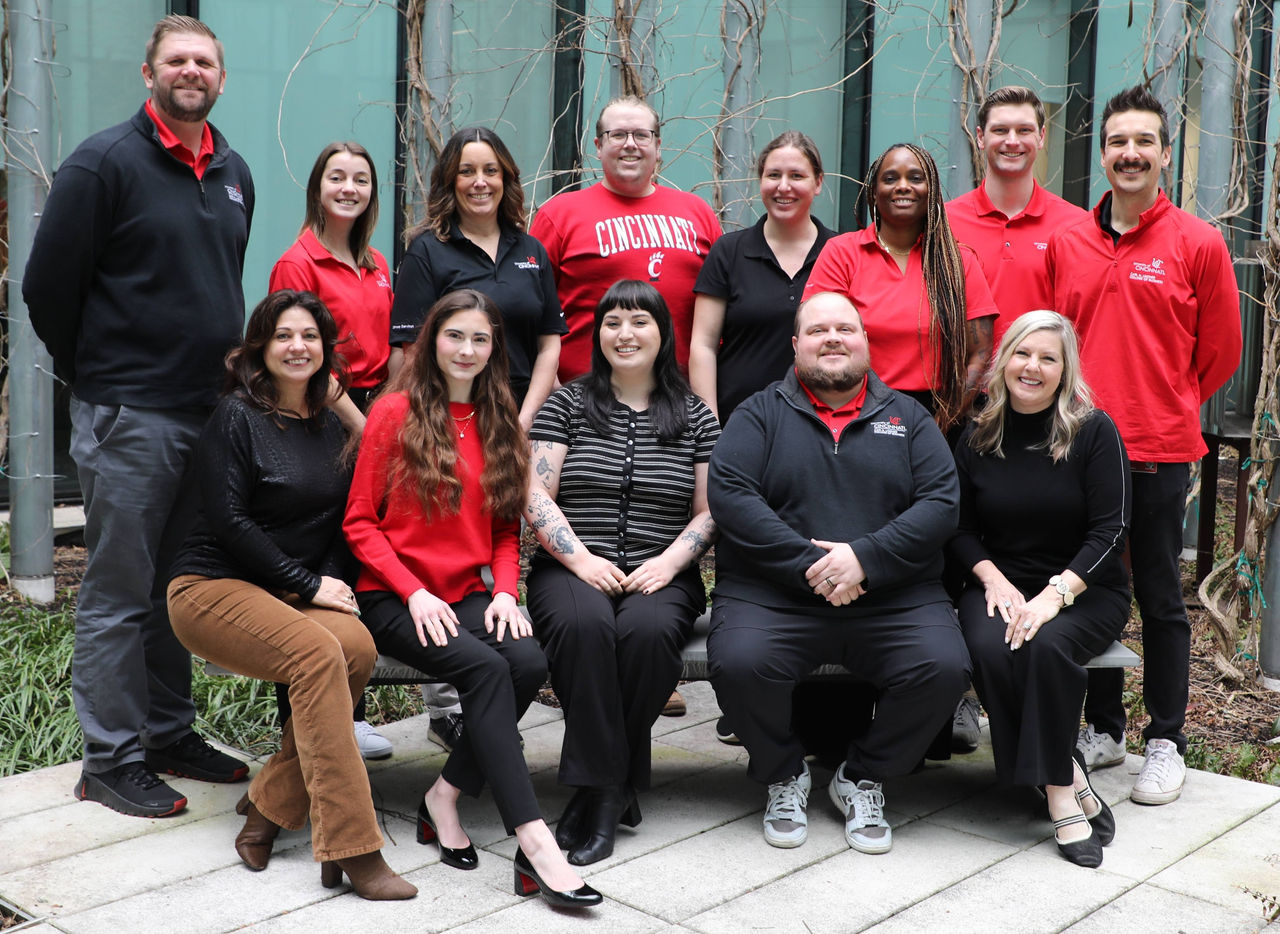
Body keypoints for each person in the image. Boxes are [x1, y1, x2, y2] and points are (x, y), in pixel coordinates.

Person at [23, 14, 252, 817]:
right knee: (119, 591)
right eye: (176, 60)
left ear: (221, 78)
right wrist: (97, 376)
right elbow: (47, 289)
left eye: (204, 62)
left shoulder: (232, 170)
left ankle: (167, 731)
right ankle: (111, 759)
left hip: (207, 415)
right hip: (131, 413)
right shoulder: (104, 163)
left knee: (173, 585)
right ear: (149, 73)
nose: (191, 71)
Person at [343, 289, 602, 909]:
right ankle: (537, 843)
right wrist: (412, 592)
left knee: (528, 661)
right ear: (432, 340)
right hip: (394, 597)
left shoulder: (496, 417)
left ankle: (445, 794)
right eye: (455, 335)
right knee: (487, 669)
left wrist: (507, 592)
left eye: (480, 339)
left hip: (466, 594)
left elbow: (504, 529)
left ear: (493, 349)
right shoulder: (395, 412)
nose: (467, 349)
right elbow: (358, 524)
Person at [166, 291, 415, 900]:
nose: (297, 346)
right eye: (283, 336)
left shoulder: (334, 423)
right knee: (317, 654)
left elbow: (341, 524)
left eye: (309, 336)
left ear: (327, 348)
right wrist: (309, 585)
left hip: (291, 588)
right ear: (261, 347)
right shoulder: (236, 416)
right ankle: (354, 848)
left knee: (353, 646)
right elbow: (228, 521)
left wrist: (324, 582)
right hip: (211, 584)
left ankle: (266, 809)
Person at [707, 291, 969, 855]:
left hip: (892, 596)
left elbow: (941, 504)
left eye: (846, 329)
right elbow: (732, 498)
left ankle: (863, 775)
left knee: (944, 668)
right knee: (738, 662)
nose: (833, 338)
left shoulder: (908, 416)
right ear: (796, 343)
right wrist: (818, 567)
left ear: (866, 343)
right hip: (773, 594)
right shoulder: (757, 414)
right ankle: (783, 773)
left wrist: (865, 560)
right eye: (818, 329)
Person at [1047, 86, 1242, 805]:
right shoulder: (1068, 241)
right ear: (1102, 153)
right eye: (1117, 141)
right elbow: (1050, 343)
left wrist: (1167, 399)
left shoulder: (1197, 242)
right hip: (1079, 449)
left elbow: (1220, 351)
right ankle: (1104, 727)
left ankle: (1166, 737)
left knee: (1159, 595)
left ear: (1164, 154)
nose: (1130, 153)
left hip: (1160, 447)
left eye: (1144, 141)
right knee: (1090, 586)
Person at [525, 280, 719, 865]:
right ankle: (611, 791)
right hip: (570, 567)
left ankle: (594, 793)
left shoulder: (695, 416)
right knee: (585, 630)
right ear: (597, 335)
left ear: (664, 334)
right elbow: (534, 490)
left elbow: (712, 510)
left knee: (648, 633)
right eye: (612, 322)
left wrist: (670, 561)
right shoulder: (567, 403)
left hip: (665, 569)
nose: (625, 333)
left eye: (639, 321)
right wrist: (580, 558)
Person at [950, 311, 1129, 868]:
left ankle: (1053, 793)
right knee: (988, 643)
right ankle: (1067, 775)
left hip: (1084, 587)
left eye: (1048, 358)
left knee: (1046, 646)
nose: (1033, 367)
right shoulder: (977, 432)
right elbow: (956, 527)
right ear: (1005, 360)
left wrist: (1055, 595)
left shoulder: (1093, 430)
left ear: (1064, 369)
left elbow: (1112, 528)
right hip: (997, 583)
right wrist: (991, 577)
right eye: (1023, 354)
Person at [269, 140, 394, 760]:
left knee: (361, 550)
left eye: (361, 180)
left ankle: (352, 706)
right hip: (322, 412)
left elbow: (387, 350)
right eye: (337, 178)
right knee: (318, 558)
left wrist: (389, 414)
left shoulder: (374, 261)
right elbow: (302, 358)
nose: (349, 188)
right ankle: (303, 725)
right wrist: (363, 427)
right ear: (318, 187)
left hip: (373, 407)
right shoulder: (300, 262)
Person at [803, 142, 996, 435]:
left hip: (941, 415)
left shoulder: (959, 262)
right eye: (891, 178)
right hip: (853, 411)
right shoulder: (841, 253)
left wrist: (942, 423)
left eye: (916, 178)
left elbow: (980, 352)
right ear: (873, 192)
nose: (903, 186)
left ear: (931, 191)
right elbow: (816, 337)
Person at [530, 95, 723, 383]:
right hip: (584, 402)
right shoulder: (558, 215)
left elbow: (722, 311)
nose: (630, 144)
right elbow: (531, 310)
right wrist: (554, 392)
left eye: (641, 135)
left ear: (658, 147)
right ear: (598, 146)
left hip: (679, 401)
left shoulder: (698, 213)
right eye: (617, 134)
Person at [389, 126, 566, 431]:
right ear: (450, 181)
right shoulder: (426, 251)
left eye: (490, 170)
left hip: (525, 417)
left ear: (504, 178)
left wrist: (526, 420)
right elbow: (413, 353)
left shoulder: (532, 249)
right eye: (467, 171)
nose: (480, 182)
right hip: (455, 419)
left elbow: (549, 346)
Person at [690, 130, 836, 423]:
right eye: (773, 175)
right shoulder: (729, 252)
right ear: (761, 181)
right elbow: (703, 346)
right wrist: (710, 429)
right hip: (737, 423)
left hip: (820, 427)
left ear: (818, 182)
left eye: (797, 176)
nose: (784, 187)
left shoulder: (839, 253)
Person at [946, 87, 1089, 350]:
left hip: (1041, 384)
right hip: (962, 387)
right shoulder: (944, 223)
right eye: (1000, 130)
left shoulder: (1077, 226)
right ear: (980, 137)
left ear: (1041, 136)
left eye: (1024, 130)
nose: (1012, 141)